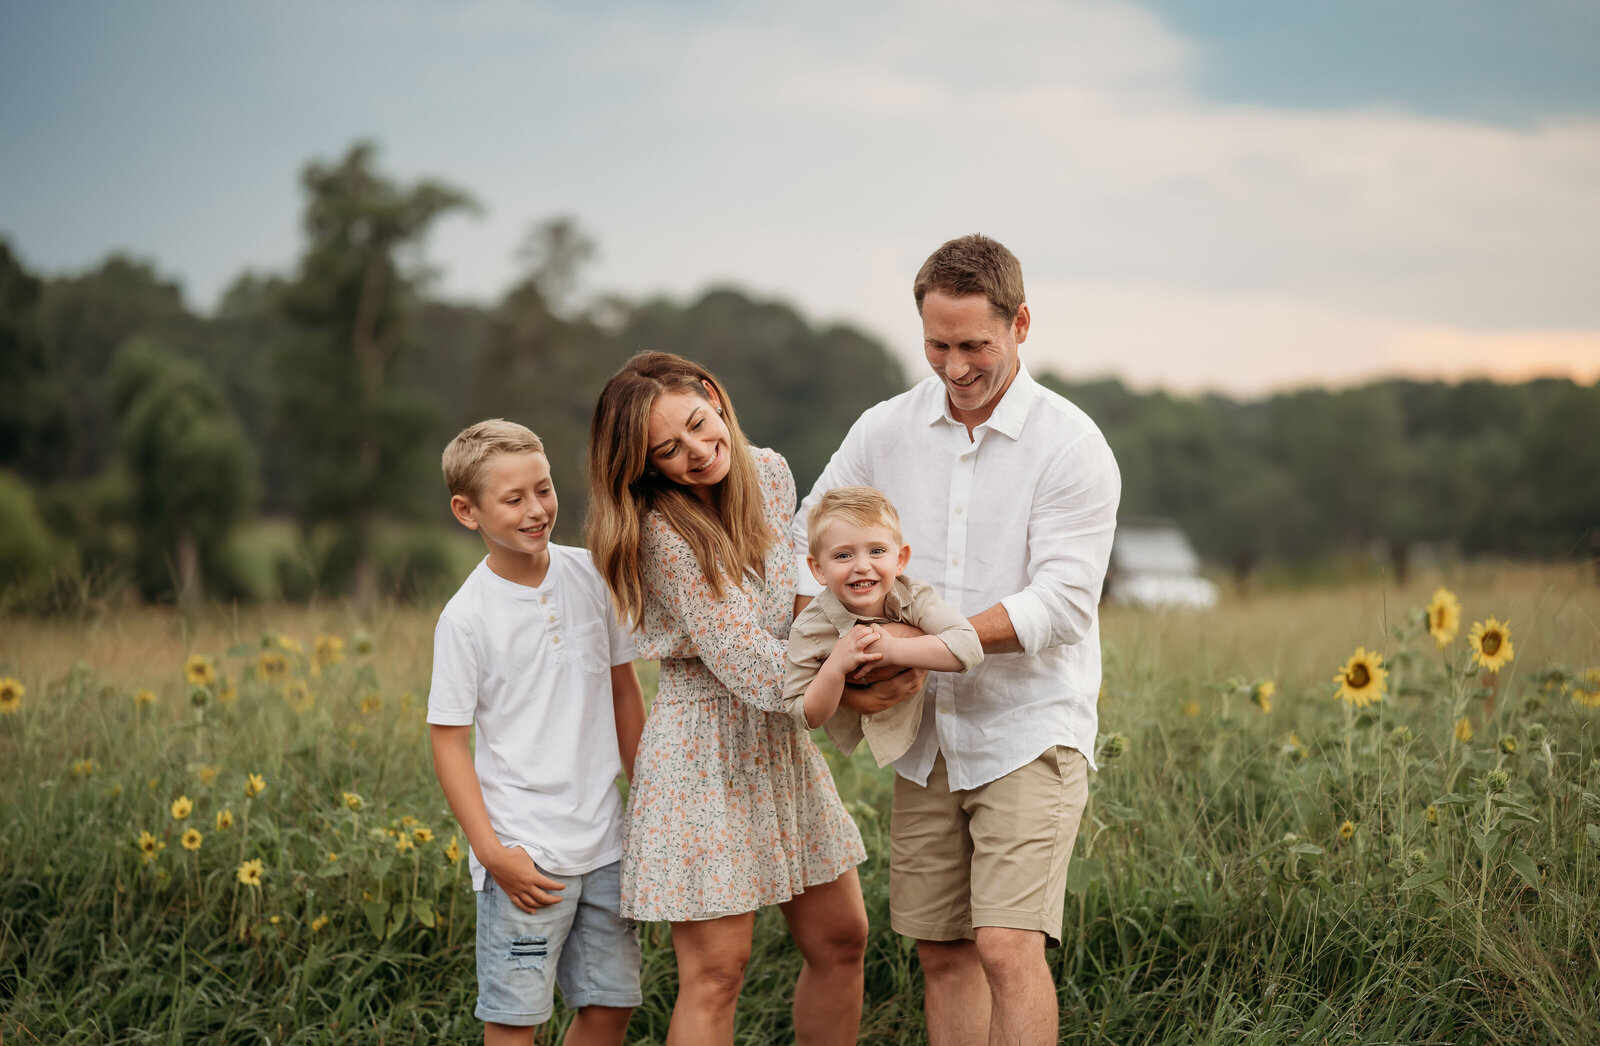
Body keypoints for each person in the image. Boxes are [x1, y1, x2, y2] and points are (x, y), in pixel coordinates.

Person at [793, 234, 1121, 1046]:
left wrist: (915, 646)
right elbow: (806, 551)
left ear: (1021, 325)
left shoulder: (1071, 445)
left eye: (974, 344)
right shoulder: (883, 430)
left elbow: (1064, 604)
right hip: (922, 738)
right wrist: (861, 654)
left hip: (1029, 727)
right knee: (942, 952)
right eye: (937, 345)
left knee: (1007, 946)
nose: (955, 365)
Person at [585, 352, 873, 1046]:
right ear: (647, 466)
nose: (696, 452)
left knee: (842, 939)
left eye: (697, 423)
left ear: (713, 396)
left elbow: (796, 613)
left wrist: (856, 646)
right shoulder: (663, 533)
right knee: (717, 971)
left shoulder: (770, 473)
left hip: (779, 737)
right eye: (668, 451)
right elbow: (748, 662)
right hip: (702, 746)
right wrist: (851, 667)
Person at [427, 419, 647, 1046]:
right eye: (514, 498)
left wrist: (650, 800)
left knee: (611, 1006)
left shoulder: (589, 576)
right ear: (467, 511)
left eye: (543, 489)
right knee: (516, 1020)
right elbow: (448, 742)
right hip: (525, 857)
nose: (537, 510)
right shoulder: (466, 619)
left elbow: (623, 690)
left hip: (608, 843)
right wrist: (495, 854)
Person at [784, 485, 982, 767]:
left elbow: (969, 646)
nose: (862, 566)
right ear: (818, 569)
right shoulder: (809, 629)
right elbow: (804, 713)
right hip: (854, 747)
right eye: (843, 555)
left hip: (943, 727)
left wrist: (890, 649)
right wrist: (835, 667)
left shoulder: (914, 596)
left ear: (900, 559)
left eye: (876, 551)